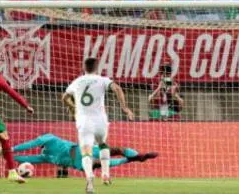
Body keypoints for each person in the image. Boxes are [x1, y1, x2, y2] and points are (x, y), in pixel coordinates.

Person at [62, 57, 134, 193]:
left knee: (86, 151)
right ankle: (106, 174)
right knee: (102, 143)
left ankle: (89, 179)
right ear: (96, 67)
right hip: (101, 121)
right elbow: (117, 89)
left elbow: (64, 97)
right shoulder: (102, 80)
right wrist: (124, 108)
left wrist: (73, 107)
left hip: (84, 122)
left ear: (84, 68)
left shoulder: (77, 81)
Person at [8, 133, 157, 175]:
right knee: (115, 151)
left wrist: (9, 153)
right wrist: (10, 151)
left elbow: (27, 157)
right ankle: (137, 157)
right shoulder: (49, 142)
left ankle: (132, 160)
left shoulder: (46, 153)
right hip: (81, 150)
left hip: (78, 163)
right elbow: (29, 152)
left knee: (104, 164)